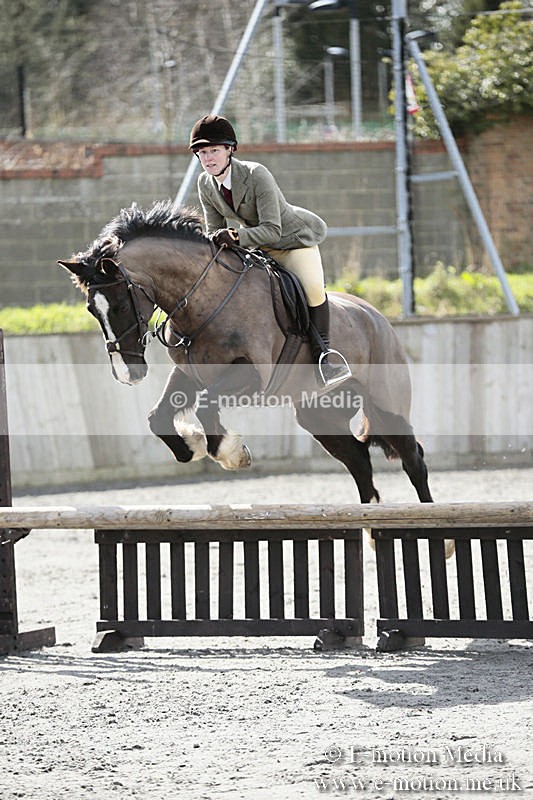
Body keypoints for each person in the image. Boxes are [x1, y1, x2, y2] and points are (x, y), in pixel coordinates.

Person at [188, 114, 351, 388]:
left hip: (292, 240)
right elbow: (215, 233)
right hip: (257, 246)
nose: (208, 159)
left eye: (214, 150)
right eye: (202, 152)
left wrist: (236, 236)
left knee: (312, 288)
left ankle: (325, 357)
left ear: (230, 150)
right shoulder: (206, 184)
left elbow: (272, 229)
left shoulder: (256, 175)